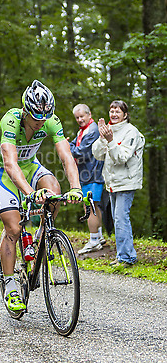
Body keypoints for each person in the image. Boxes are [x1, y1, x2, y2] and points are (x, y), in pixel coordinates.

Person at [0, 80, 83, 312]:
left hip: (31, 166)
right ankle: (11, 284)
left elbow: (66, 157)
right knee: (13, 228)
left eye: (45, 117)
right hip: (5, 172)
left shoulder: (50, 120)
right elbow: (10, 164)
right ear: (25, 111)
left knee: (54, 189)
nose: (41, 122)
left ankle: (43, 237)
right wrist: (31, 194)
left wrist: (76, 188)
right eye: (35, 118)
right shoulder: (10, 121)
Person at [92, 100, 145, 267]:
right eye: (111, 111)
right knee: (118, 219)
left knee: (121, 219)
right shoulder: (110, 131)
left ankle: (127, 258)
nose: (113, 114)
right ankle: (125, 255)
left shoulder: (131, 132)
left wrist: (110, 140)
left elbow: (121, 158)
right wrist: (102, 138)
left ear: (125, 115)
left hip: (126, 182)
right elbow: (98, 155)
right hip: (113, 182)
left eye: (117, 112)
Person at [69, 104, 105, 254]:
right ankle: (99, 236)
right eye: (77, 117)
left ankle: (94, 240)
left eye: (82, 116)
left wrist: (66, 146)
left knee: (90, 207)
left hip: (93, 174)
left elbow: (80, 152)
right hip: (87, 174)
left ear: (89, 114)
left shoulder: (92, 130)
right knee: (93, 206)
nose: (79, 120)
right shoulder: (83, 130)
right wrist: (70, 145)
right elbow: (76, 146)